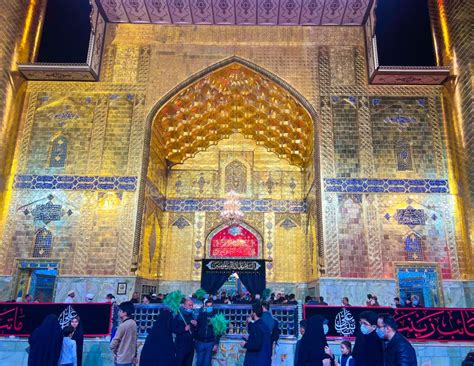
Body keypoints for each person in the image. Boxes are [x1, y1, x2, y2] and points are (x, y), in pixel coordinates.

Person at [110, 301, 138, 366]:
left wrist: (112, 348)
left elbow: (115, 341)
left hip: (121, 358)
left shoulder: (123, 325)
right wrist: (135, 355)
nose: (118, 312)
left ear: (125, 313)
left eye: (120, 310)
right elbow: (135, 341)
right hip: (130, 358)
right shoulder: (133, 323)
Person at [195, 298, 220, 366]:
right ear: (205, 307)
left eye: (210, 306)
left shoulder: (216, 317)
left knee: (207, 363)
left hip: (210, 343)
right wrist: (196, 340)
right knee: (199, 362)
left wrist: (216, 344)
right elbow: (197, 328)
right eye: (207, 306)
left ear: (213, 306)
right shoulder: (201, 315)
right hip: (200, 342)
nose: (209, 307)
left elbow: (219, 331)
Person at [173, 298, 196, 366]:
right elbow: (174, 329)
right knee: (180, 363)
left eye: (192, 305)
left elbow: (195, 330)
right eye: (189, 305)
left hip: (190, 345)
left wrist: (195, 324)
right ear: (184, 306)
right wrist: (184, 329)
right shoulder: (178, 315)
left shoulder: (192, 314)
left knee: (188, 363)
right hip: (181, 345)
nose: (191, 307)